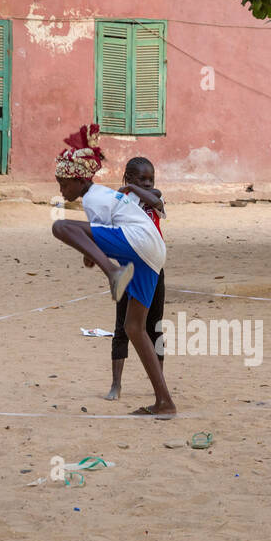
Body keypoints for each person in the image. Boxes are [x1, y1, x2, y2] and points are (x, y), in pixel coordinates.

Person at [49, 124, 175, 416]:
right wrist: (89, 251)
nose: (61, 189)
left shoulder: (94, 199)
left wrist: (99, 260)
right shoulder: (103, 197)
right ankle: (165, 402)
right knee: (134, 327)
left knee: (60, 226)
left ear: (80, 180)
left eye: (63, 184)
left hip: (139, 244)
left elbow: (94, 242)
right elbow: (97, 244)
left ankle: (114, 275)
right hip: (153, 253)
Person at [106, 156, 166, 401]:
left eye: (151, 179)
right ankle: (116, 384)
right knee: (123, 327)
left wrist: (133, 188)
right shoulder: (120, 202)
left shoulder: (155, 200)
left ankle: (159, 383)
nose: (148, 183)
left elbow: (155, 198)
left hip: (153, 270)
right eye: (142, 179)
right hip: (128, 270)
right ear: (128, 177)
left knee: (155, 327)